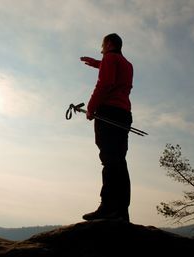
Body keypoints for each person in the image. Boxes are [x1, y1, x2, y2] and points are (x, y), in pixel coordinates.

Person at [80, 33, 133, 222]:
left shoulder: (109, 58)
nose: (101, 49)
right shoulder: (126, 63)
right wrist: (96, 63)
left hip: (108, 113)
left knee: (109, 160)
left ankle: (108, 207)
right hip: (124, 114)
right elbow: (114, 73)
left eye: (102, 45)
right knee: (119, 161)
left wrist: (91, 108)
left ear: (109, 44)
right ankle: (121, 210)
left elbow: (105, 83)